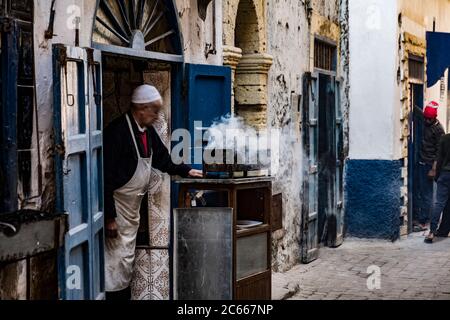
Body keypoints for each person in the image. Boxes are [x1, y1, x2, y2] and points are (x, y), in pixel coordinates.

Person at [103, 85, 203, 299]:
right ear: (141, 108)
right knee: (112, 264)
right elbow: (105, 178)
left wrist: (186, 169)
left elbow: (162, 159)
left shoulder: (147, 132)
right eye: (154, 111)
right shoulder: (117, 132)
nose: (157, 116)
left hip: (131, 212)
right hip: (117, 209)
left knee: (124, 263)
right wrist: (110, 217)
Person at [415, 101, 445, 231]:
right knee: (420, 191)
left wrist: (434, 169)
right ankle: (420, 216)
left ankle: (424, 221)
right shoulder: (425, 117)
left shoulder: (439, 130)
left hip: (429, 164)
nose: (426, 121)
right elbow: (416, 110)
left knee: (427, 194)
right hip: (420, 161)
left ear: (435, 118)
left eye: (429, 119)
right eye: (426, 118)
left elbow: (439, 152)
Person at [425, 132, 450, 243]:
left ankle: (432, 232)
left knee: (439, 203)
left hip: (445, 174)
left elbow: (439, 159)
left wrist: (437, 176)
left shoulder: (445, 138)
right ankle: (444, 230)